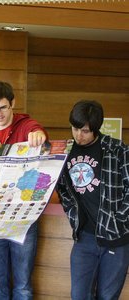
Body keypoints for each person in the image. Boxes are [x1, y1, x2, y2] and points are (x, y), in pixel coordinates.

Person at [0, 81, 47, 300]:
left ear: (12, 103)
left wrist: (38, 134)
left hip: (23, 219)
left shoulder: (26, 127)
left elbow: (35, 129)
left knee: (23, 286)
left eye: (3, 107)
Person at [56, 100, 129, 299]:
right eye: (75, 128)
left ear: (96, 129)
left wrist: (119, 219)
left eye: (85, 131)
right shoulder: (64, 152)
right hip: (84, 237)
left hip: (116, 238)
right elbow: (62, 188)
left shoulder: (117, 150)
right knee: (79, 295)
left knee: (107, 297)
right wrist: (73, 215)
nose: (79, 135)